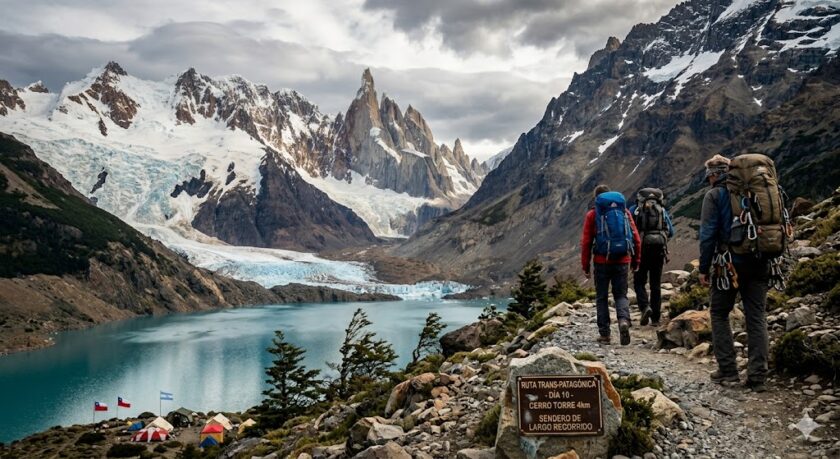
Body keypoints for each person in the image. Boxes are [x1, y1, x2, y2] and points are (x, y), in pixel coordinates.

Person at [698, 154, 771, 393]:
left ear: (714, 174)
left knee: (719, 313)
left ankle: (728, 370)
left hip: (728, 264)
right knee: (756, 316)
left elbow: (708, 235)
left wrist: (703, 268)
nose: (708, 180)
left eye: (709, 176)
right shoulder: (754, 190)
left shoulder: (714, 195)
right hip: (760, 259)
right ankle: (758, 376)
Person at [581, 184, 642, 345]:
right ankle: (623, 320)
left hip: (601, 262)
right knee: (621, 295)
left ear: (597, 198)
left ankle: (605, 334)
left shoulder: (593, 214)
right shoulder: (624, 212)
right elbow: (636, 238)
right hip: (622, 260)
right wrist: (636, 260)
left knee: (601, 297)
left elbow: (586, 242)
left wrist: (586, 266)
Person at [630, 188, 675, 326]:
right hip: (659, 250)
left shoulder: (634, 210)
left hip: (640, 251)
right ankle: (656, 318)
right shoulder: (662, 210)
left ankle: (645, 307)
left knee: (639, 282)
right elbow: (671, 231)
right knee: (655, 284)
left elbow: (629, 229)